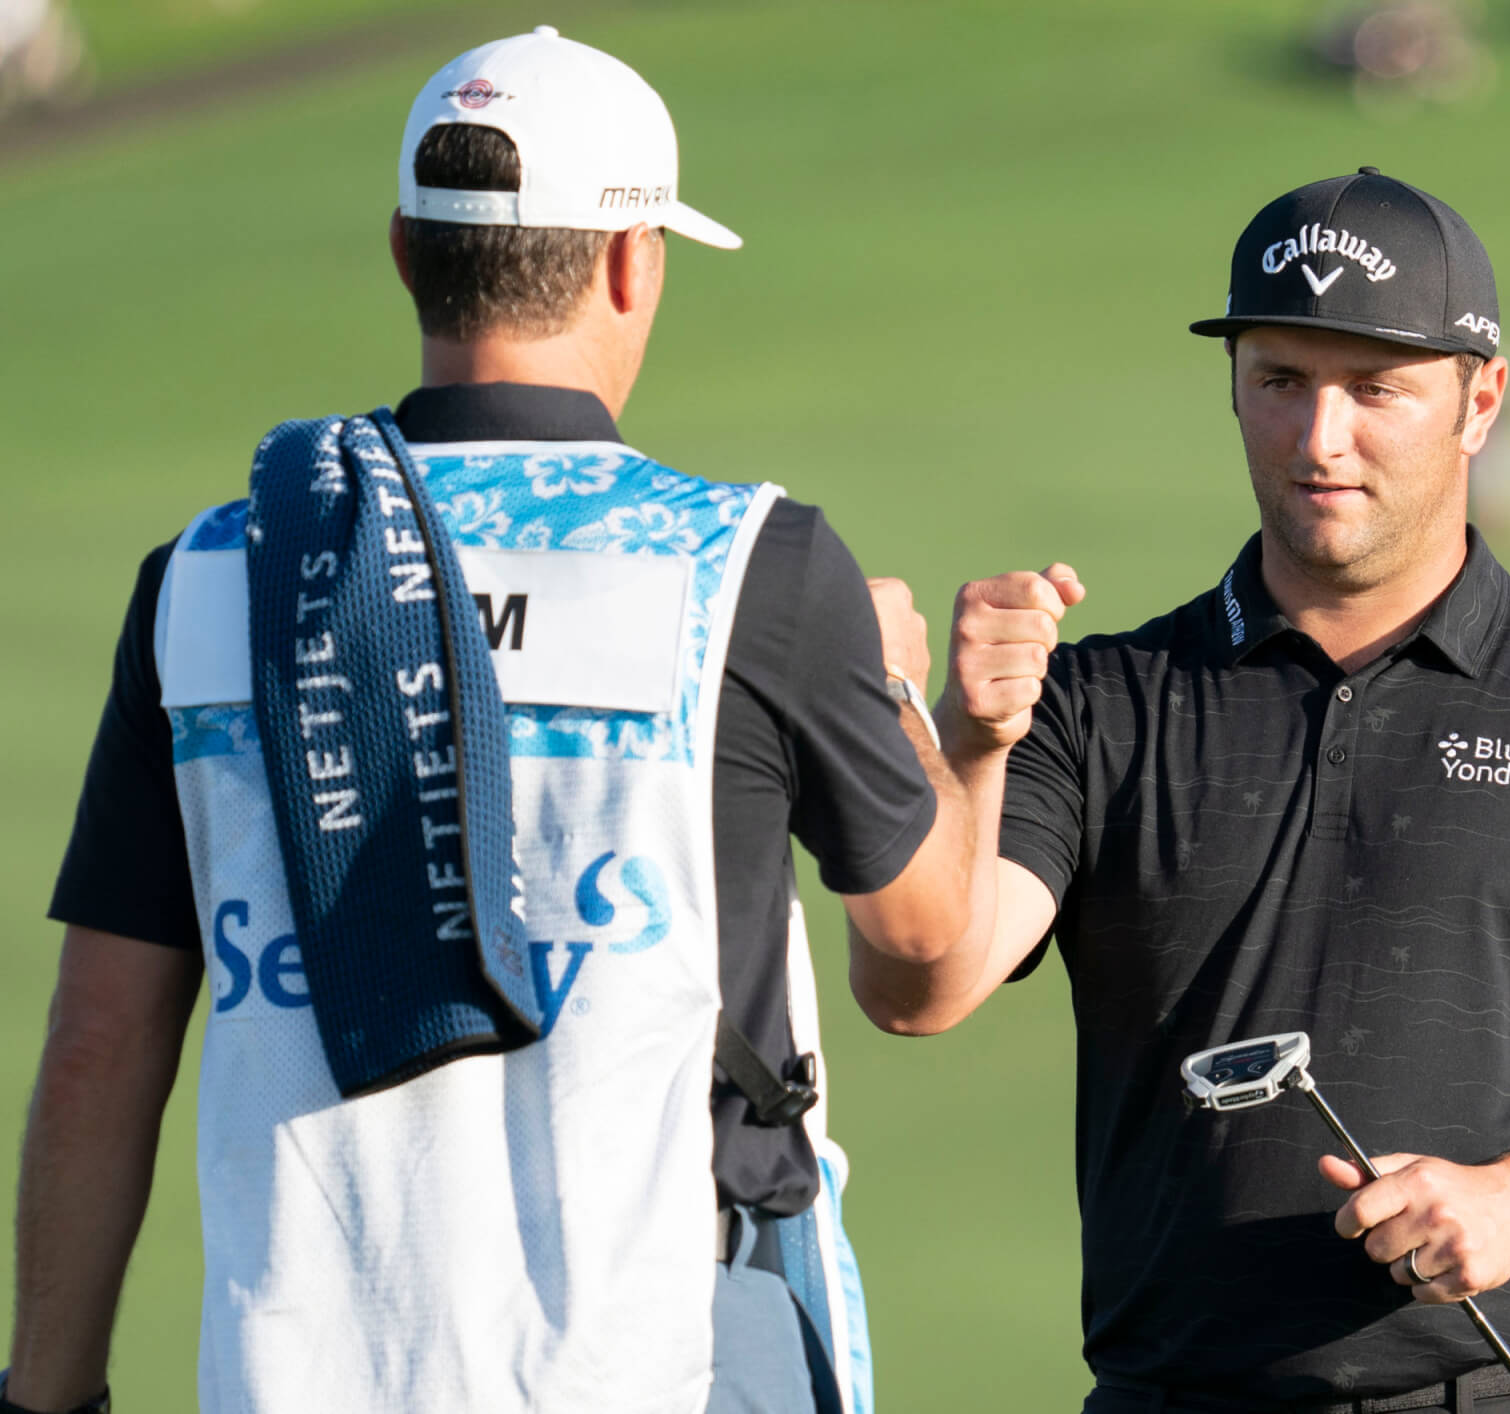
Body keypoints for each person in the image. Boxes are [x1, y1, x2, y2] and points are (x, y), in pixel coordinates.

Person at [7, 27, 965, 1414]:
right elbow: (930, 937)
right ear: (636, 262)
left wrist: (47, 1393)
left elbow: (103, 1035)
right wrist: (897, 690)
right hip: (670, 1363)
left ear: (408, 249)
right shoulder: (752, 565)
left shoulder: (208, 580)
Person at [854, 168, 1510, 1412]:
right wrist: (969, 743)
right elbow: (918, 986)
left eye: (1375, 389)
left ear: (1479, 402)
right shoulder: (1100, 699)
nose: (1321, 439)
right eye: (1279, 382)